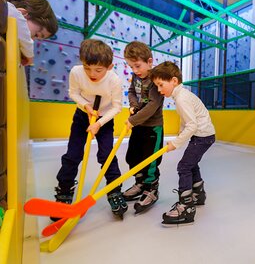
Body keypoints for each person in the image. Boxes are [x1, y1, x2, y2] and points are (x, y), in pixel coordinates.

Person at [53, 39, 127, 219]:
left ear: (109, 67)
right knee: (73, 155)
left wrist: (98, 123)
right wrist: (85, 105)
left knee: (106, 155)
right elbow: (73, 93)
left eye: (98, 70)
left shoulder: (115, 80)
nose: (91, 73)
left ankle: (114, 190)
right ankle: (64, 190)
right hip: (81, 116)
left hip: (105, 119)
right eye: (87, 67)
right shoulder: (76, 72)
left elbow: (117, 107)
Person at [151, 61, 215, 226]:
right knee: (191, 163)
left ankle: (186, 206)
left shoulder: (181, 98)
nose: (159, 90)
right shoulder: (181, 95)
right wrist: (180, 134)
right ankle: (198, 194)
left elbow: (192, 125)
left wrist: (176, 143)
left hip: (202, 136)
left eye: (160, 85)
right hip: (203, 135)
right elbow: (186, 120)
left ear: (173, 80)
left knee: (184, 166)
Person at [122, 41, 164, 214]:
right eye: (132, 67)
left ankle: (151, 188)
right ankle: (140, 183)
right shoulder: (136, 77)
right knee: (132, 156)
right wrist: (132, 105)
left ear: (149, 61)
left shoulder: (155, 80)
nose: (135, 70)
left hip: (152, 127)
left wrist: (133, 120)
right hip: (138, 124)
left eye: (138, 66)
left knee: (150, 160)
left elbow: (152, 106)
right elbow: (131, 92)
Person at [5, 0, 58, 66]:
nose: (32, 40)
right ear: (24, 14)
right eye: (36, 34)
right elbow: (16, 18)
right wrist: (29, 55)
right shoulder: (8, 10)